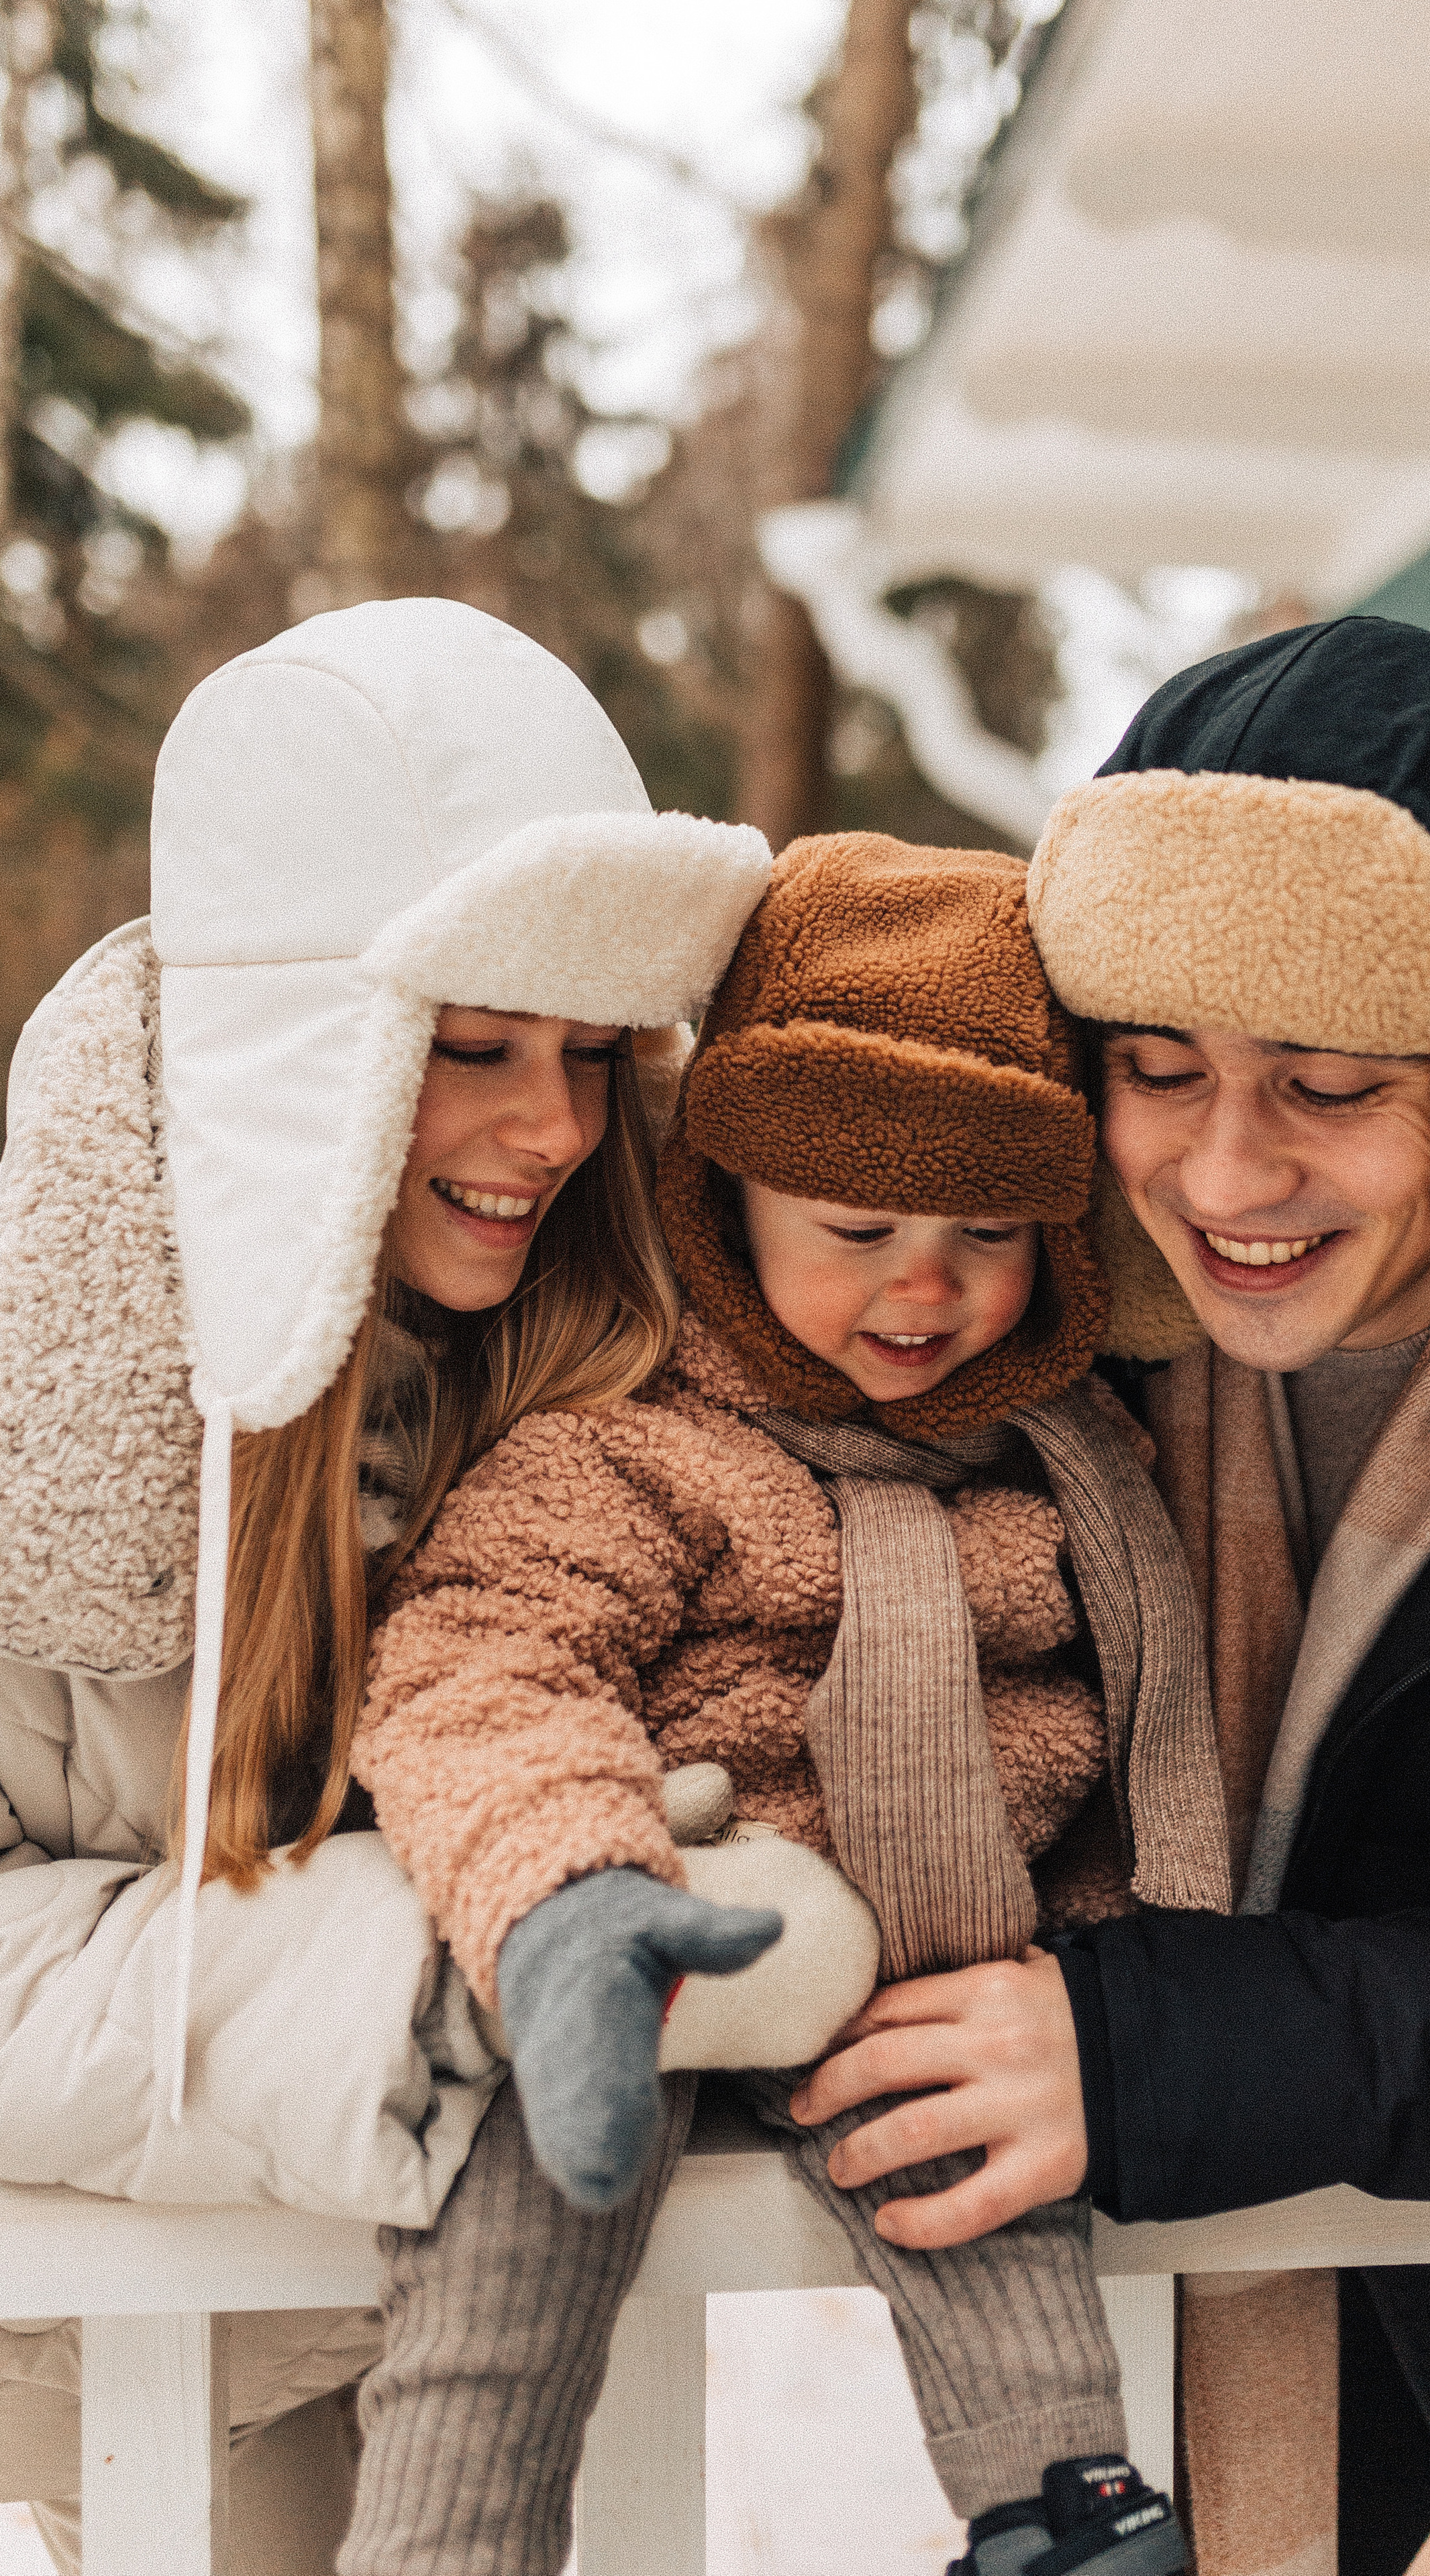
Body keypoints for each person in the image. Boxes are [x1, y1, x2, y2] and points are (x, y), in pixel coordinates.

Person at [790, 617, 1430, 2576]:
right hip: (1287, 2329)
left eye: (1325, 1084)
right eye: (1156, 1067)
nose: (1226, 1170)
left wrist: (1145, 2056)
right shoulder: (1036, 1308)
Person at [0, 594, 773, 2573]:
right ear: (295, 1052)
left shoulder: (587, 1371)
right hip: (132, 2352)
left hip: (460, 2318)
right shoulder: (42, 1394)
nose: (555, 1130)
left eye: (596, 1054)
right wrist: (445, 1964)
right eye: (474, 1048)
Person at [352, 830, 1210, 2576]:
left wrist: (1128, 1955)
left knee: (983, 2166)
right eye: (858, 1227)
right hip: (665, 1909)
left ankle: (1061, 2511)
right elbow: (484, 1658)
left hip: (935, 1957)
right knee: (516, 2201)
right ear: (724, 1204)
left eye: (990, 1231)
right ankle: (447, 2541)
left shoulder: (1079, 1470)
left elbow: (1129, 1737)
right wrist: (574, 1903)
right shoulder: (635, 1442)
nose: (928, 1285)